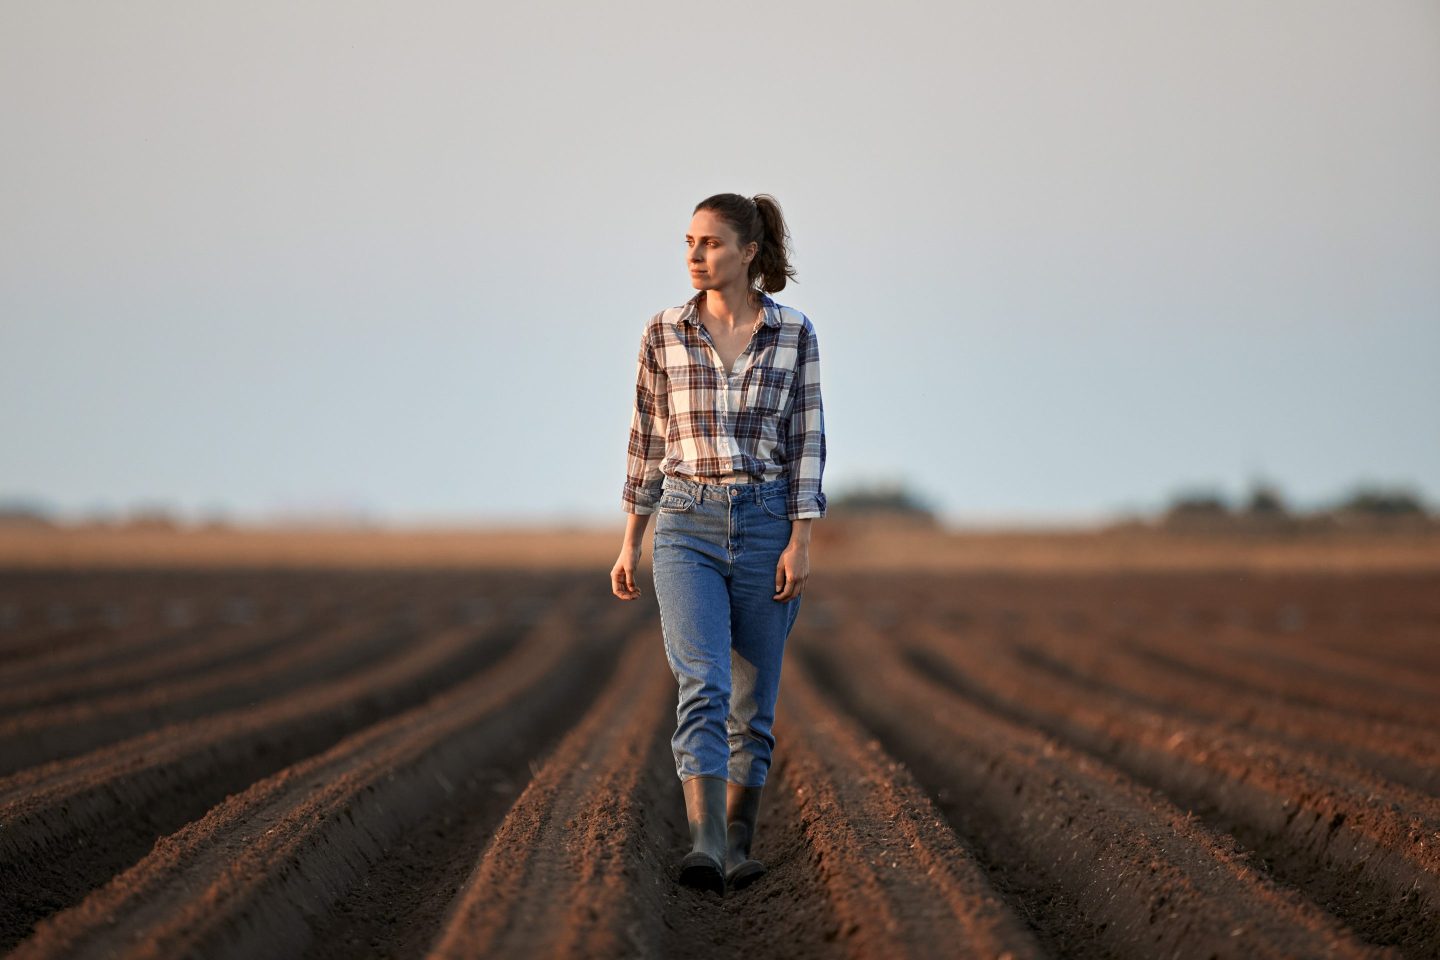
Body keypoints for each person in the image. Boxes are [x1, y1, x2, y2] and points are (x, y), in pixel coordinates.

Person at [610, 192, 826, 895]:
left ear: (749, 253)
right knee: (701, 682)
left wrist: (800, 540)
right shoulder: (663, 332)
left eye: (709, 244)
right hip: (684, 522)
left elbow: (806, 444)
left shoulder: (793, 334)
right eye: (689, 243)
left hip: (766, 523)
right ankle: (703, 844)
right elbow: (645, 441)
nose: (694, 256)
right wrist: (630, 540)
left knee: (753, 700)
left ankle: (737, 844)